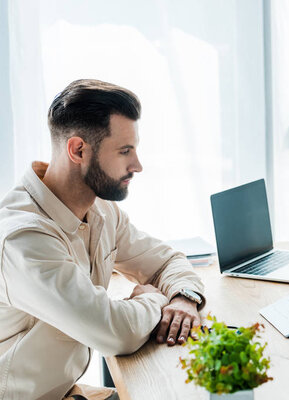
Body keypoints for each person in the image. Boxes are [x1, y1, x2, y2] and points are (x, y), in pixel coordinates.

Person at [0, 79, 206, 400]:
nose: (137, 165)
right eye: (125, 151)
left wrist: (183, 298)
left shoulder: (101, 209)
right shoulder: (24, 238)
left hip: (66, 391)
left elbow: (166, 261)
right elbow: (115, 333)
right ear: (78, 150)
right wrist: (152, 298)